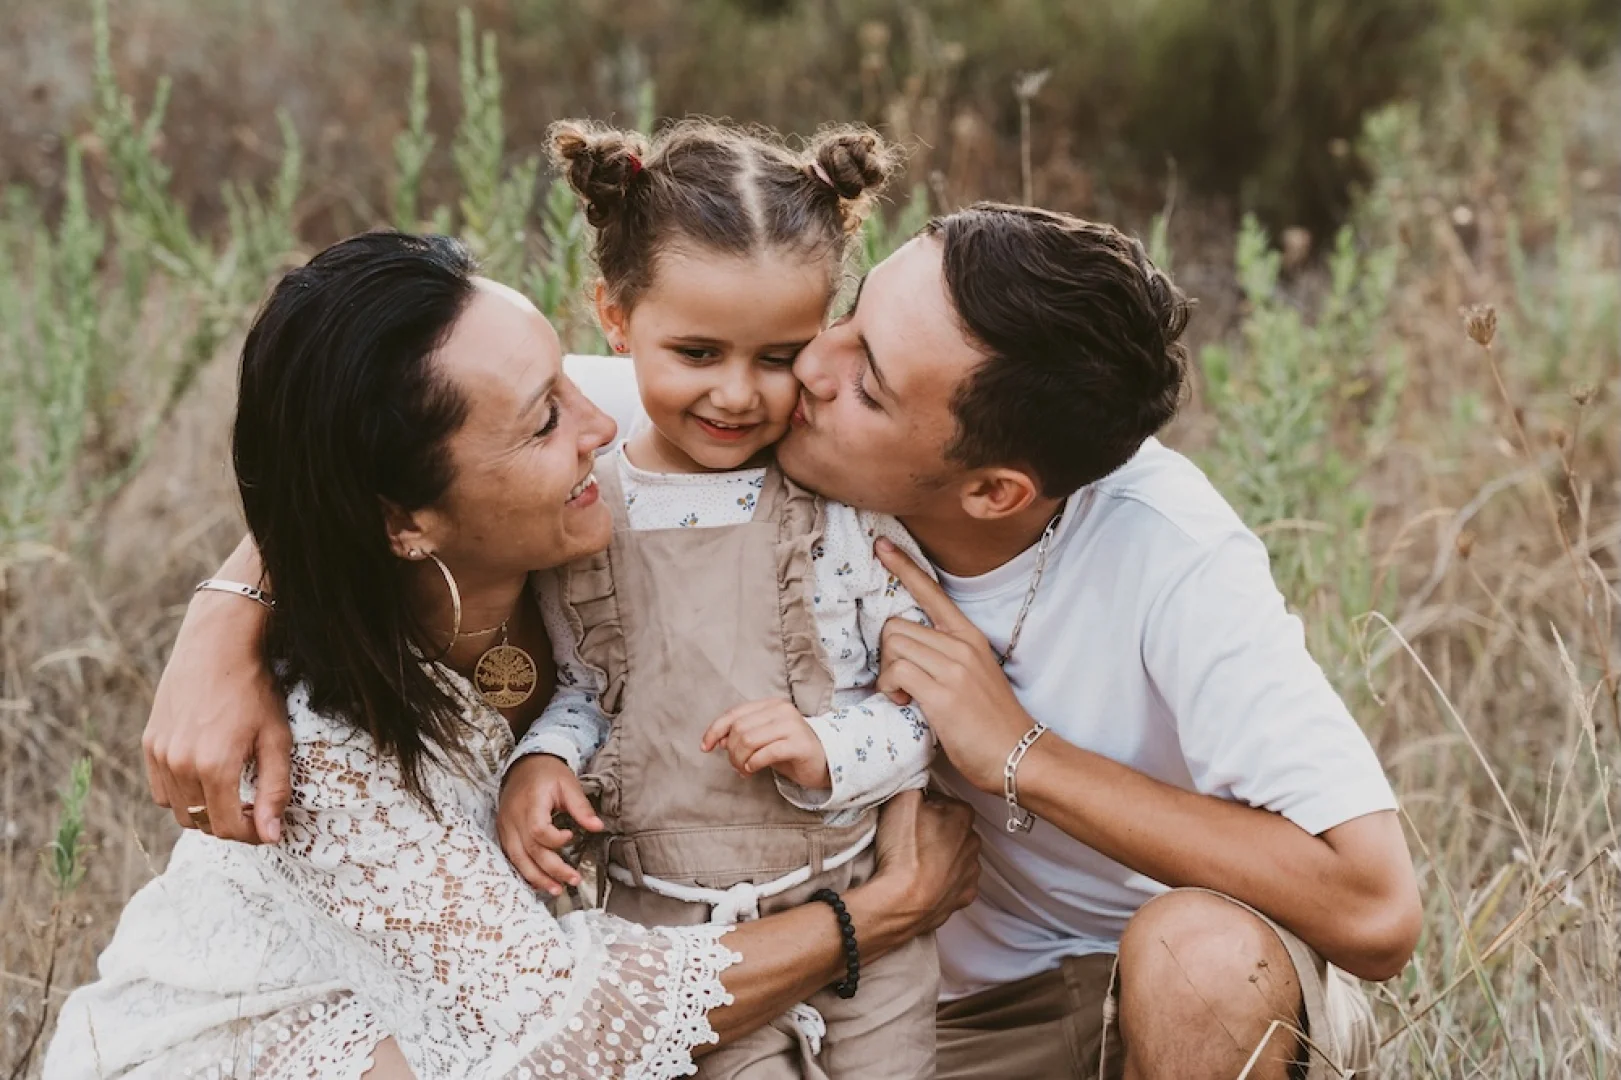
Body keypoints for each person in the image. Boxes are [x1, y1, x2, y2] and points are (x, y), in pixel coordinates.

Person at [144, 204, 1421, 1080]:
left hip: (1098, 1000)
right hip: (864, 987)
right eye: (848, 319)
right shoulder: (709, 418)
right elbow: (390, 450)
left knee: (1200, 958)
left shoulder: (1163, 549)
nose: (798, 370)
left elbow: (1374, 905)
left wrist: (1015, 749)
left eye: (865, 378)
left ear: (990, 488)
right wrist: (233, 607)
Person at [45, 232, 978, 1080]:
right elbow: (575, 1035)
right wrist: (885, 910)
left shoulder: (575, 498)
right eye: (546, 419)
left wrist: (228, 600)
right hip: (274, 1047)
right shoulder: (318, 757)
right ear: (406, 522)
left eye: (574, 377)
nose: (603, 423)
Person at [498, 118, 940, 1079]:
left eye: (778, 356)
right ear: (615, 320)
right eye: (696, 353)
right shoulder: (587, 507)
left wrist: (827, 748)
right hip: (675, 937)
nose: (738, 395)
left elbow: (923, 716)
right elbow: (592, 688)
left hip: (859, 930)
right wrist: (542, 758)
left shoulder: (841, 515)